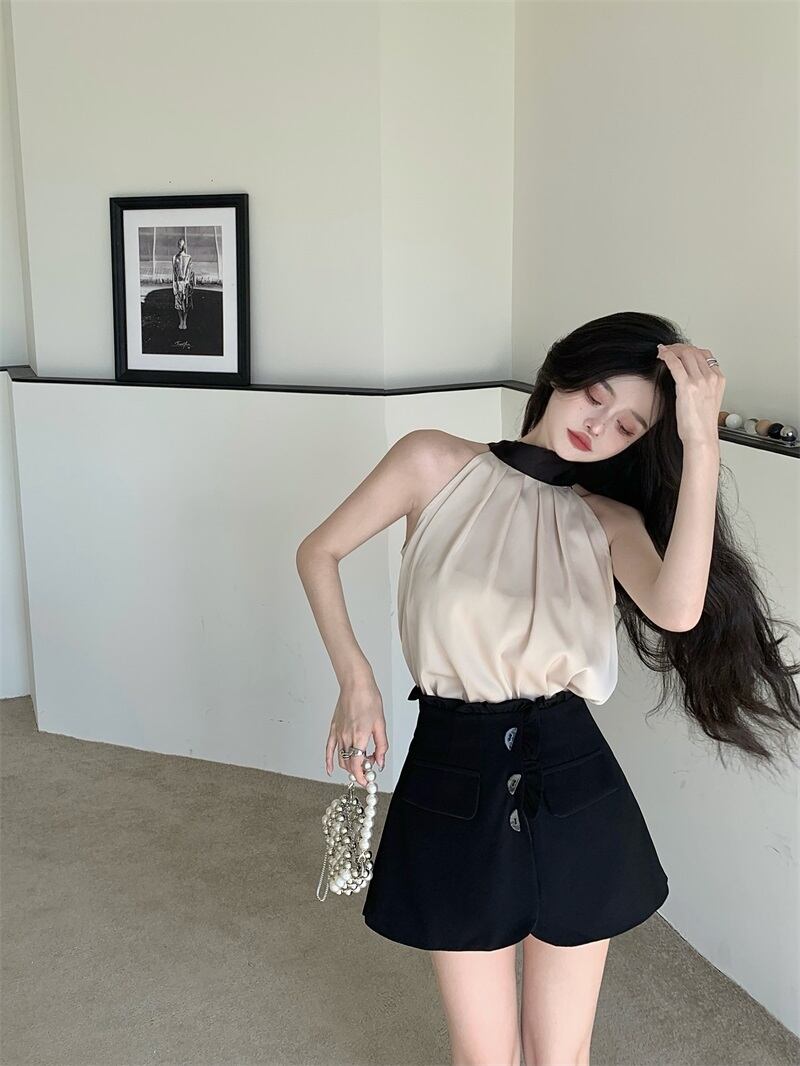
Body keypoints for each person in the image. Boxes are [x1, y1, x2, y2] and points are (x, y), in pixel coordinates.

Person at [295, 310, 800, 1066]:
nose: (600, 428)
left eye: (628, 426)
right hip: (452, 770)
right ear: (560, 374)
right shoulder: (434, 462)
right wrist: (356, 681)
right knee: (485, 1055)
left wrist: (700, 444)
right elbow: (318, 552)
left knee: (561, 1056)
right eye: (596, 397)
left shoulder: (607, 520)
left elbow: (678, 609)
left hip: (574, 782)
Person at [172, 237, 195, 331]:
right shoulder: (175, 258)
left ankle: (184, 321)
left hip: (186, 283)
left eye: (182, 244)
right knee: (178, 303)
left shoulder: (189, 257)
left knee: (186, 303)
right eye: (179, 244)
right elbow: (174, 272)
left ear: (185, 245)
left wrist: (189, 283)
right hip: (178, 282)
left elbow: (190, 271)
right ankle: (181, 320)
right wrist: (174, 285)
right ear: (178, 245)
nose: (181, 246)